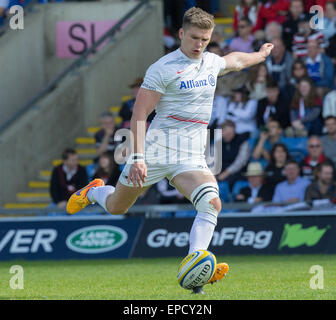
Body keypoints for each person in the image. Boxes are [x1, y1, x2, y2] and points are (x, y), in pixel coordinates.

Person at [66, 7, 274, 294]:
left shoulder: (211, 62)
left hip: (189, 157)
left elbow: (236, 60)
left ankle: (197, 263)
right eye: (194, 37)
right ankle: (92, 191)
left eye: (204, 38)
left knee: (211, 203)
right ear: (181, 34)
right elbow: (139, 114)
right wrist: (137, 157)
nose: (199, 44)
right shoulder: (163, 68)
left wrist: (260, 55)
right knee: (117, 207)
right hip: (154, 152)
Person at [215, 120, 251, 188]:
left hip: (238, 173)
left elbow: (241, 161)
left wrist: (226, 173)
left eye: (231, 133)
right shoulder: (217, 143)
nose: (229, 135)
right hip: (220, 173)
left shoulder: (242, 141)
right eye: (227, 133)